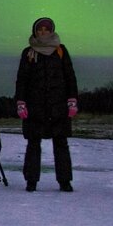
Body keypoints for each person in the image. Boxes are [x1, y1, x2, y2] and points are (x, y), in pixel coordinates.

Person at [14, 17, 79, 192]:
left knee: (61, 144)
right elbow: (22, 79)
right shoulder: (28, 52)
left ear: (51, 31)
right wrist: (20, 102)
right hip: (35, 106)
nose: (43, 32)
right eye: (40, 29)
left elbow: (70, 77)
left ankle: (65, 181)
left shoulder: (61, 51)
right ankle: (31, 181)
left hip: (58, 106)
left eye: (46, 29)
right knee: (33, 144)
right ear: (35, 32)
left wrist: (72, 99)